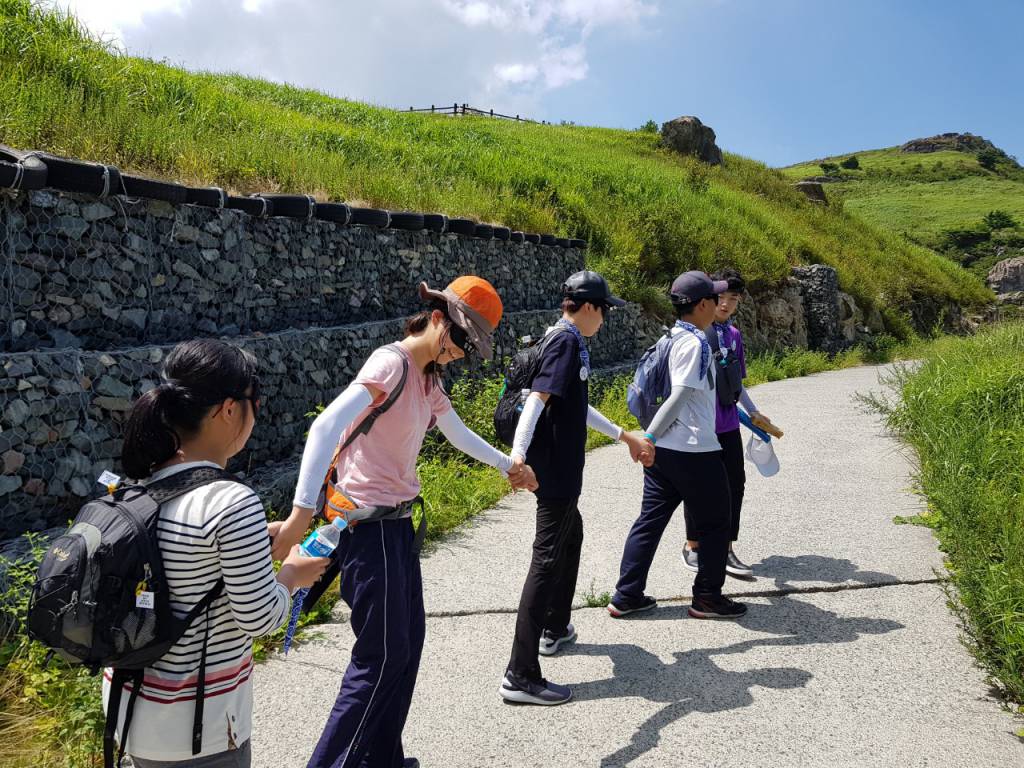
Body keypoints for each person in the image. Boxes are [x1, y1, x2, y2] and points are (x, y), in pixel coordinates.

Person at [271, 276, 536, 768]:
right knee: (381, 657)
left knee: (408, 644)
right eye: (460, 340)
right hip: (367, 529)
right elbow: (325, 426)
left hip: (395, 529)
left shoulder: (427, 375)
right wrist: (298, 516)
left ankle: (382, 757)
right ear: (438, 318)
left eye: (470, 348)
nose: (461, 352)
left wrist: (510, 467)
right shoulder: (391, 364)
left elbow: (456, 433)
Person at [103, 339, 330, 768]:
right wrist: (292, 575)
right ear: (229, 409)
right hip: (196, 729)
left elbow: (181, 559)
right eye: (254, 403)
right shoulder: (230, 502)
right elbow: (260, 618)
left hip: (130, 711)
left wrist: (249, 542)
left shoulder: (142, 483)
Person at [501, 270, 654, 706]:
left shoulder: (560, 338)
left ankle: (555, 627)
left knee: (572, 536)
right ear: (587, 307)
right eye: (604, 310)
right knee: (546, 560)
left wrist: (625, 437)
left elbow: (577, 409)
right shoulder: (568, 342)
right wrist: (518, 456)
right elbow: (537, 400)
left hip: (556, 470)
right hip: (556, 473)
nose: (605, 318)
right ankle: (520, 673)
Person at [608, 271, 748, 621]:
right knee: (717, 521)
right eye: (715, 298)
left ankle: (627, 595)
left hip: (665, 454)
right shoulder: (696, 343)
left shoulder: (670, 337)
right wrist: (648, 438)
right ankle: (707, 598)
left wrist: (653, 440)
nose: (719, 303)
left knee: (650, 521)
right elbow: (679, 395)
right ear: (702, 305)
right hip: (693, 449)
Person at [681, 268, 769, 579]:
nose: (726, 304)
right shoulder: (695, 333)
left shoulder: (734, 336)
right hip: (701, 426)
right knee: (699, 488)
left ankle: (725, 547)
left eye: (733, 299)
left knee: (735, 486)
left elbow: (737, 383)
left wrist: (755, 412)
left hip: (729, 423)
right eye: (721, 297)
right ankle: (694, 546)